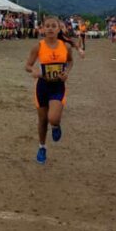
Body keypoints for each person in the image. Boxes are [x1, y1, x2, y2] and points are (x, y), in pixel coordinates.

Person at [24, 16, 73, 164]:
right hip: (42, 86)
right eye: (47, 26)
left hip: (58, 86)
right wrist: (34, 71)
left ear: (59, 29)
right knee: (43, 119)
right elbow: (28, 65)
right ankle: (42, 147)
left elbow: (70, 61)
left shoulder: (65, 47)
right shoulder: (38, 46)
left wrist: (66, 73)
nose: (50, 28)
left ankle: (56, 126)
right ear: (43, 29)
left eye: (54, 26)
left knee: (53, 118)